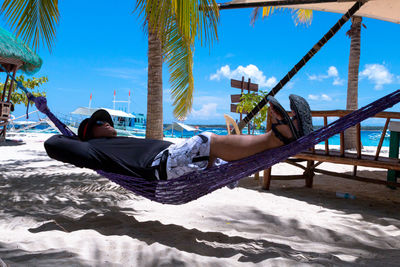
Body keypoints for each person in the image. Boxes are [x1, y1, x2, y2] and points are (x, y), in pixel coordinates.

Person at [45, 95, 312, 181]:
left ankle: (282, 141)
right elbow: (52, 143)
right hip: (161, 166)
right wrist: (79, 142)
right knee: (207, 140)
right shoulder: (94, 150)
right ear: (91, 133)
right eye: (101, 123)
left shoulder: (112, 141)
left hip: (173, 159)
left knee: (228, 167)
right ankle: (278, 138)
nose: (108, 123)